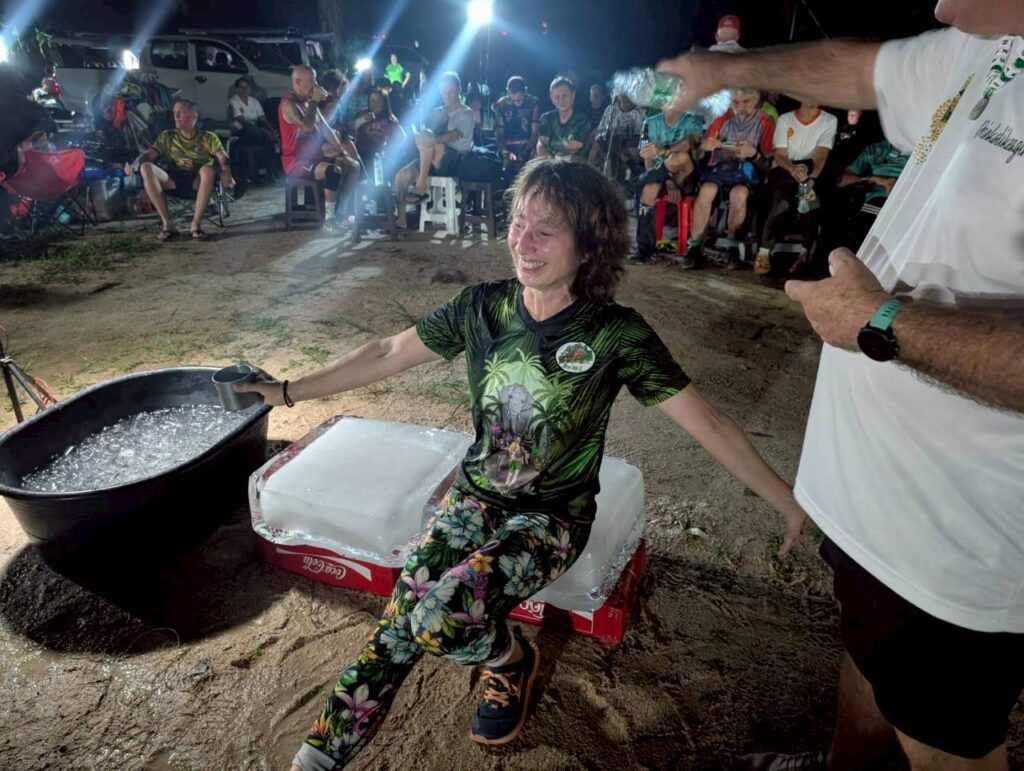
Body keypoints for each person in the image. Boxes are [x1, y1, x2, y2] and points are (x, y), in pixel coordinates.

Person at [235, 157, 808, 771]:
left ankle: (510, 659)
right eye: (517, 223)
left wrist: (788, 502)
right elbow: (385, 351)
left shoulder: (615, 335)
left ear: (589, 246)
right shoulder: (484, 308)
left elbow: (709, 422)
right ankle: (317, 759)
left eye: (546, 230)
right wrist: (286, 391)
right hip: (473, 500)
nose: (523, 242)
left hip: (552, 519)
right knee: (401, 618)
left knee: (440, 616)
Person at [659, 1, 1024, 769]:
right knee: (868, 666)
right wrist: (723, 70)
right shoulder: (987, 47)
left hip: (957, 533)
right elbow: (860, 68)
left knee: (944, 737)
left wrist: (881, 321)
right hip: (875, 509)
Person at [685, 88, 774, 269]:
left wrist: (754, 154)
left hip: (747, 173)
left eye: (746, 102)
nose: (740, 107)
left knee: (738, 194)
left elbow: (768, 164)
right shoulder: (722, 118)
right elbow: (700, 154)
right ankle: (694, 246)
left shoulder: (765, 122)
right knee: (707, 190)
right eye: (736, 102)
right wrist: (704, 147)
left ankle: (732, 246)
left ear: (756, 100)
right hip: (721, 170)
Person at [124, 98, 234, 242]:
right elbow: (148, 155)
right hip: (173, 180)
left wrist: (226, 169)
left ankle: (196, 225)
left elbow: (222, 156)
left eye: (180, 113)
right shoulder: (168, 136)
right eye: (174, 113)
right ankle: (167, 225)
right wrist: (135, 163)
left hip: (197, 182)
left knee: (207, 169)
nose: (176, 116)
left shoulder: (207, 137)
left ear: (193, 116)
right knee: (145, 166)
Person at [754, 101, 838, 275]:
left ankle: (802, 252)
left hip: (810, 170)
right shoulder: (786, 119)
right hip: (785, 170)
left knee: (805, 201)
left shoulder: (829, 120)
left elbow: (821, 156)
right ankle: (767, 251)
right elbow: (780, 154)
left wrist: (810, 180)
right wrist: (792, 169)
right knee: (786, 199)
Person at [279, 65, 360, 234]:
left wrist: (341, 152)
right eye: (311, 81)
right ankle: (329, 220)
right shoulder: (289, 104)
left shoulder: (308, 102)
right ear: (298, 82)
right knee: (333, 171)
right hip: (296, 161)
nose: (316, 85)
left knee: (353, 166)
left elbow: (325, 128)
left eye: (315, 80)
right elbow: (307, 126)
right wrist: (315, 101)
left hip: (316, 156)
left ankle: (344, 212)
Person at [393, 71, 474, 228]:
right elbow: (426, 136)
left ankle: (422, 185)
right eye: (444, 92)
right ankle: (401, 219)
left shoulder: (466, 113)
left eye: (451, 92)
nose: (447, 96)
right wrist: (418, 138)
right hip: (430, 157)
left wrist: (431, 139)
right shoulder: (437, 112)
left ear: (458, 90)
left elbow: (454, 134)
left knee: (434, 142)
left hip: (454, 159)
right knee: (401, 176)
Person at [631, 105, 704, 264]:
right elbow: (648, 159)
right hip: (662, 177)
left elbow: (690, 142)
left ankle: (642, 181)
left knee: (681, 157)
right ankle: (645, 248)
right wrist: (668, 180)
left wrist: (663, 150)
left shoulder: (692, 121)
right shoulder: (650, 123)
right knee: (649, 189)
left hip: (687, 177)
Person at [818, 139, 909, 259]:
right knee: (858, 234)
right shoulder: (876, 149)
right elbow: (842, 180)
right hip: (878, 199)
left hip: (908, 199)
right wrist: (875, 179)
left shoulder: (923, 149)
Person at [227, 77, 277, 189]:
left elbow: (263, 119)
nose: (244, 90)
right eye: (241, 87)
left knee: (270, 144)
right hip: (241, 132)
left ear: (250, 88)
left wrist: (270, 131)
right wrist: (262, 131)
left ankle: (270, 175)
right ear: (237, 89)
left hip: (256, 133)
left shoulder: (255, 102)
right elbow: (242, 121)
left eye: (246, 87)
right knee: (254, 131)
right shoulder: (233, 102)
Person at [589, 91, 646, 181]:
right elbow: (601, 131)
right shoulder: (610, 109)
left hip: (631, 149)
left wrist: (621, 145)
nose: (625, 96)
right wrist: (597, 137)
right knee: (600, 149)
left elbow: (642, 138)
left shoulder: (640, 111)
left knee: (615, 152)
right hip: (611, 146)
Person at [494, 75, 541, 176]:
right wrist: (504, 149)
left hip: (528, 145)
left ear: (525, 92)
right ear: (508, 93)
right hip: (508, 145)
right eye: (514, 100)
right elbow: (499, 132)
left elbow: (535, 133)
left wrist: (526, 152)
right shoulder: (502, 104)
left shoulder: (533, 103)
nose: (517, 103)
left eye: (520, 100)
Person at [536, 77, 591, 161]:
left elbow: (573, 148)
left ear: (573, 95)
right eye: (557, 97)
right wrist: (550, 163)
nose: (561, 100)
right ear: (552, 98)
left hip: (575, 166)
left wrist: (550, 147)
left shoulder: (581, 120)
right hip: (549, 165)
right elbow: (541, 144)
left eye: (565, 96)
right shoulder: (546, 118)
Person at [353, 87, 406, 175]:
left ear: (384, 104)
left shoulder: (390, 119)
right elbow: (350, 127)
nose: (374, 104)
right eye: (372, 101)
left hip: (380, 156)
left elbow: (402, 137)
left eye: (378, 101)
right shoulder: (362, 113)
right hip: (361, 153)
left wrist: (391, 150)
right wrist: (361, 120)